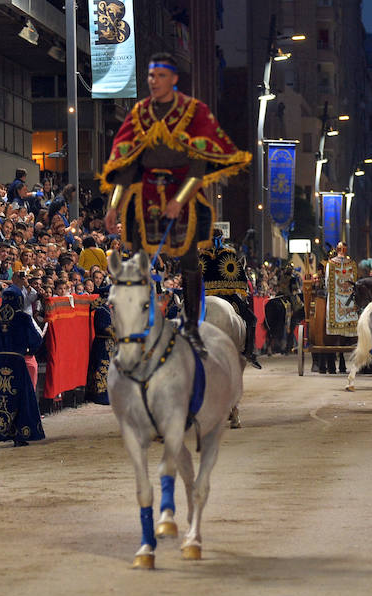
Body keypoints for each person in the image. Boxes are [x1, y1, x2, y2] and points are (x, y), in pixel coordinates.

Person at [100, 52, 251, 356]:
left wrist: (178, 200)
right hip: (146, 198)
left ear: (173, 79)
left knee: (189, 263)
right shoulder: (140, 114)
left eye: (160, 76)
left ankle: (194, 327)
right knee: (138, 262)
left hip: (182, 197)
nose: (154, 82)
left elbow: (198, 166)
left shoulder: (192, 113)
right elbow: (126, 164)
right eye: (150, 77)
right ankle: (139, 325)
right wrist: (114, 204)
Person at [0, 285, 45, 447]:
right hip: (16, 362)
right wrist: (29, 350)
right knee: (21, 397)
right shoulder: (23, 318)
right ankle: (20, 434)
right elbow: (36, 339)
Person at [200, 229, 261, 368]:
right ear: (221, 239)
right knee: (251, 319)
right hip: (227, 296)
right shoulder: (229, 254)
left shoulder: (202, 255)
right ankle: (249, 352)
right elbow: (240, 277)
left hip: (204, 297)